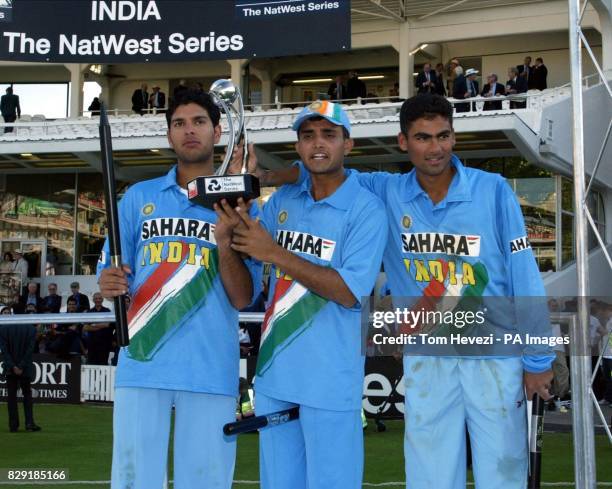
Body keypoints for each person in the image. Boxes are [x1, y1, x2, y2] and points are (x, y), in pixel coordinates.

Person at [255, 93, 554, 489]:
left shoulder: (493, 190)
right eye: (423, 138)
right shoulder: (386, 191)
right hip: (427, 357)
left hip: (494, 356)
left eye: (443, 136)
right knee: (429, 476)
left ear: (454, 137)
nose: (435, 148)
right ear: (403, 142)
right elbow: (323, 168)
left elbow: (525, 277)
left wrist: (537, 360)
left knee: (502, 472)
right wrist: (267, 177)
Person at [97, 88, 259, 489]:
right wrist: (108, 283)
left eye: (199, 122)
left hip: (210, 368)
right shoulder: (139, 197)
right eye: (179, 124)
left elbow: (244, 297)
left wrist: (224, 242)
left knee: (206, 482)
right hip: (142, 362)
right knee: (134, 480)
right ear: (168, 135)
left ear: (218, 131)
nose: (189, 131)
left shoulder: (237, 202)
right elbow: (111, 274)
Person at [230, 100, 387, 489]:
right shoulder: (284, 201)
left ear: (347, 145)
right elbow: (248, 255)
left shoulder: (367, 209)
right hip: (275, 377)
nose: (318, 143)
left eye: (329, 135)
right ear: (298, 147)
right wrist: (240, 196)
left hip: (330, 381)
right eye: (308, 135)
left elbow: (350, 292)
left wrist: (274, 253)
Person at [0, 308, 41, 432]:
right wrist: (21, 366)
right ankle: (29, 423)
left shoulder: (3, 329)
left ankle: (13, 425)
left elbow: (5, 351)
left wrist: (13, 366)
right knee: (27, 395)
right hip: (25, 368)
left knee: (11, 396)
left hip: (10, 368)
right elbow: (29, 350)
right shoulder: (31, 329)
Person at [83, 292, 113, 365]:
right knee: (91, 364)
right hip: (91, 344)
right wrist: (101, 325)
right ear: (93, 300)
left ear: (102, 300)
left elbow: (107, 325)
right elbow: (85, 327)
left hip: (104, 344)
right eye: (96, 298)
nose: (98, 300)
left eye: (99, 298)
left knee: (103, 365)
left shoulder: (107, 311)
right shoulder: (89, 312)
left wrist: (93, 325)